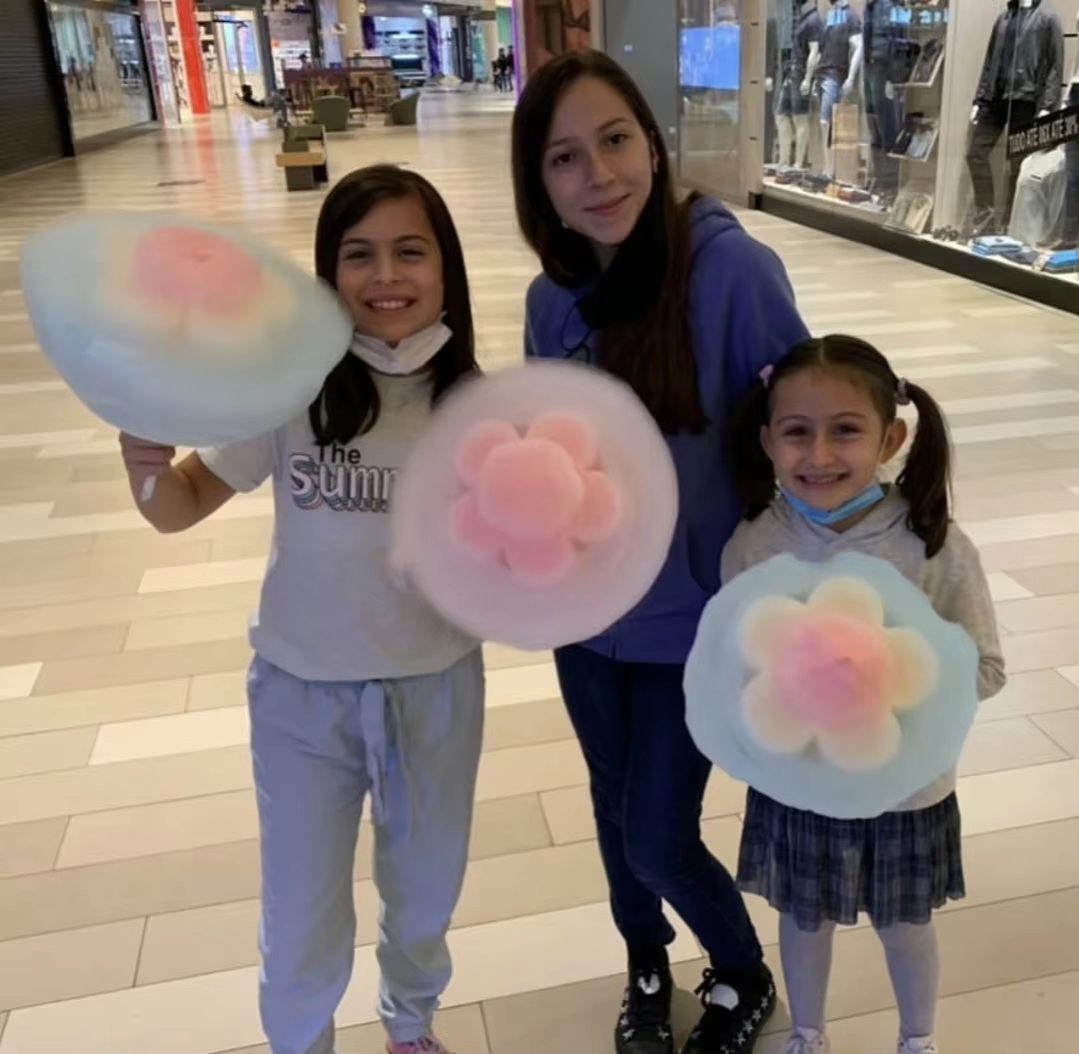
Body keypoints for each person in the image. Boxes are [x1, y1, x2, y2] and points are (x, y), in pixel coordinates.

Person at [119, 166, 486, 1054]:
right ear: (325, 278)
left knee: (426, 889)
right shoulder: (292, 394)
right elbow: (178, 505)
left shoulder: (480, 410)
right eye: (358, 256)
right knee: (300, 908)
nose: (386, 276)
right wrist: (140, 454)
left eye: (410, 251)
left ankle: (411, 1026)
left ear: (448, 269)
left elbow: (527, 563)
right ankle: (300, 1039)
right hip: (301, 698)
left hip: (433, 691)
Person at [512, 49, 809, 1054]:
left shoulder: (730, 270)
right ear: (538, 184)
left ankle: (738, 968)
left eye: (614, 140)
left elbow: (804, 433)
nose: (597, 175)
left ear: (652, 141)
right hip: (584, 622)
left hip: (692, 619)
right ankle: (643, 958)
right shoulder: (551, 301)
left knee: (655, 832)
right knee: (607, 804)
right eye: (563, 157)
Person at [723, 334, 1006, 1054]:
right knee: (801, 917)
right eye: (796, 433)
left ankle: (917, 1037)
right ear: (766, 440)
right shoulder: (752, 545)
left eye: (844, 430)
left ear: (892, 435)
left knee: (905, 924)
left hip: (904, 790)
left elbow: (985, 668)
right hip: (801, 788)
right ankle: (808, 1033)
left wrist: (890, 688)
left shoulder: (932, 545)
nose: (818, 456)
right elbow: (732, 667)